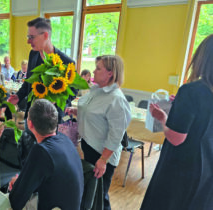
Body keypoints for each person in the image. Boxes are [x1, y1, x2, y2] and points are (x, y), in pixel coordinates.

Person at [141, 35, 213, 210]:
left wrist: (163, 118)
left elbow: (176, 138)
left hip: (182, 170)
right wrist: (179, 106)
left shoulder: (191, 91)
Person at [66, 55, 131, 210]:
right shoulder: (97, 90)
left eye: (98, 68)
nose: (93, 71)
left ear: (110, 73)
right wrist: (76, 111)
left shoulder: (117, 100)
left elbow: (116, 135)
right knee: (91, 192)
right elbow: (93, 112)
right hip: (89, 146)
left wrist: (103, 160)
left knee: (99, 196)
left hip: (102, 154)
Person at [9, 99, 83, 210]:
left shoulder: (41, 151)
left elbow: (15, 200)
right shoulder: (64, 139)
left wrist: (16, 185)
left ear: (30, 124)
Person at [8, 17, 77, 124]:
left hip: (52, 121)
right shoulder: (33, 54)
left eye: (31, 37)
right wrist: (18, 96)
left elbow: (73, 91)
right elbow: (28, 81)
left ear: (45, 35)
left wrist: (56, 100)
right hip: (31, 116)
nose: (28, 41)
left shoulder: (67, 62)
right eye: (28, 37)